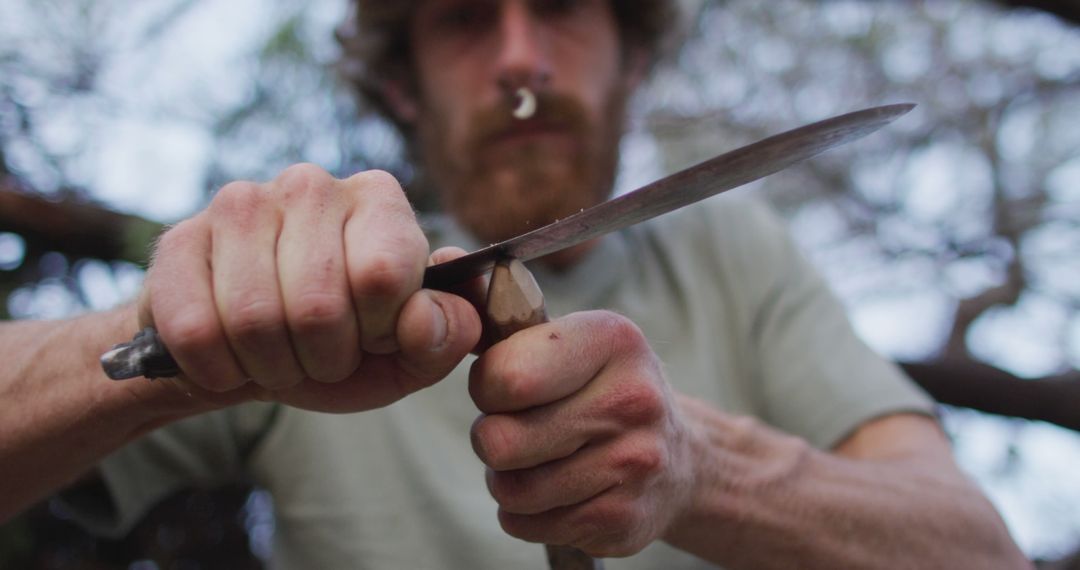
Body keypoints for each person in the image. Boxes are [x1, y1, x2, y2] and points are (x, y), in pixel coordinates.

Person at [0, 0, 1030, 567]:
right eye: (462, 19)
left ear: (633, 60)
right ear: (402, 85)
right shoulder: (322, 276)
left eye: (565, 7)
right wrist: (182, 337)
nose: (522, 60)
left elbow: (976, 553)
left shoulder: (735, 253)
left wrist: (696, 466)